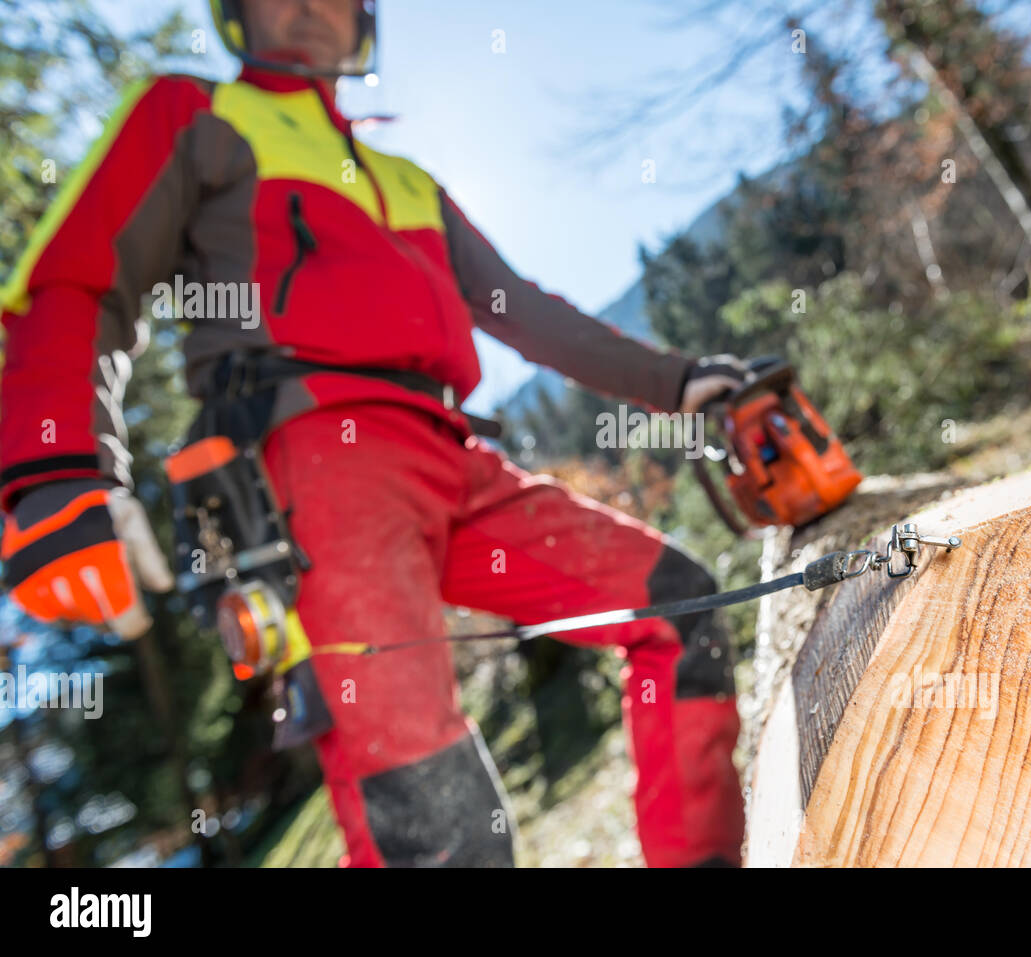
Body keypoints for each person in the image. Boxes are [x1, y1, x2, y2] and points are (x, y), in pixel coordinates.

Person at [0, 0, 753, 868]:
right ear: (237, 13)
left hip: (457, 457)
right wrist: (59, 472)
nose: (308, 4)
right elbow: (76, 278)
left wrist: (675, 381)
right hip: (310, 467)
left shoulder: (406, 180)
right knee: (435, 819)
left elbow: (527, 311)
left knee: (681, 606)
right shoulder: (191, 116)